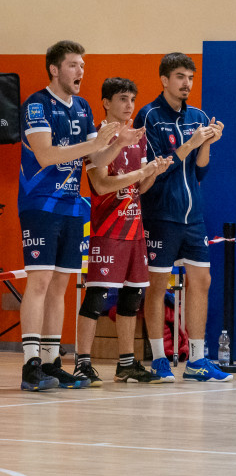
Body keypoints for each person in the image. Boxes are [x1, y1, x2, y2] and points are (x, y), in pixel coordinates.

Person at [18, 40, 143, 391]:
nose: (80, 72)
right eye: (73, 65)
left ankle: (51, 361)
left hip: (74, 205)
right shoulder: (36, 104)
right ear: (55, 69)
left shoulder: (83, 107)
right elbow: (45, 155)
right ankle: (30, 363)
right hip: (41, 202)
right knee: (40, 281)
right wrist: (97, 143)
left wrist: (118, 144)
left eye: (83, 66)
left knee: (61, 286)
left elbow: (94, 163)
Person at [134, 53, 231, 383]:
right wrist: (190, 144)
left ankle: (198, 359)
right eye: (179, 76)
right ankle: (159, 358)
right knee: (158, 286)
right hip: (161, 213)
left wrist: (207, 144)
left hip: (194, 216)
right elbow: (156, 169)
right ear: (164, 80)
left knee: (201, 281)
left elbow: (201, 171)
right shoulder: (149, 117)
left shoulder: (198, 115)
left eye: (190, 76)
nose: (186, 82)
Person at [73, 78, 173, 386]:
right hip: (107, 228)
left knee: (132, 297)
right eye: (122, 99)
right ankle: (82, 363)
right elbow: (101, 185)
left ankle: (126, 364)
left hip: (134, 228)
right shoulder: (97, 137)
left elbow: (139, 187)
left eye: (132, 99)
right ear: (105, 102)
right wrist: (139, 173)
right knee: (97, 295)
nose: (129, 105)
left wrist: (152, 173)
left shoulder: (139, 138)